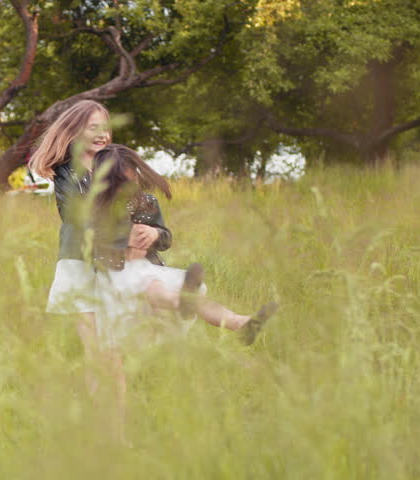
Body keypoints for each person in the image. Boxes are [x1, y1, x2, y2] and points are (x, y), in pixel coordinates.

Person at [90, 144, 279, 442]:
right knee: (154, 290)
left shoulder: (148, 203)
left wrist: (155, 235)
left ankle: (239, 323)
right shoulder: (96, 209)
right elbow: (94, 249)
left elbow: (166, 237)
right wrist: (125, 244)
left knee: (188, 295)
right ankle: (181, 302)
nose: (130, 186)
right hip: (116, 278)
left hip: (149, 270)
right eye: (122, 182)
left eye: (133, 178)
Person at [28, 100, 185, 396]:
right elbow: (78, 216)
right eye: (93, 128)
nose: (102, 134)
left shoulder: (116, 165)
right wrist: (125, 232)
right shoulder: (67, 172)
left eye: (106, 128)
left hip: (115, 267)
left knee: (113, 352)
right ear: (74, 132)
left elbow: (139, 211)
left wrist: (150, 232)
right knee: (99, 354)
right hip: (80, 267)